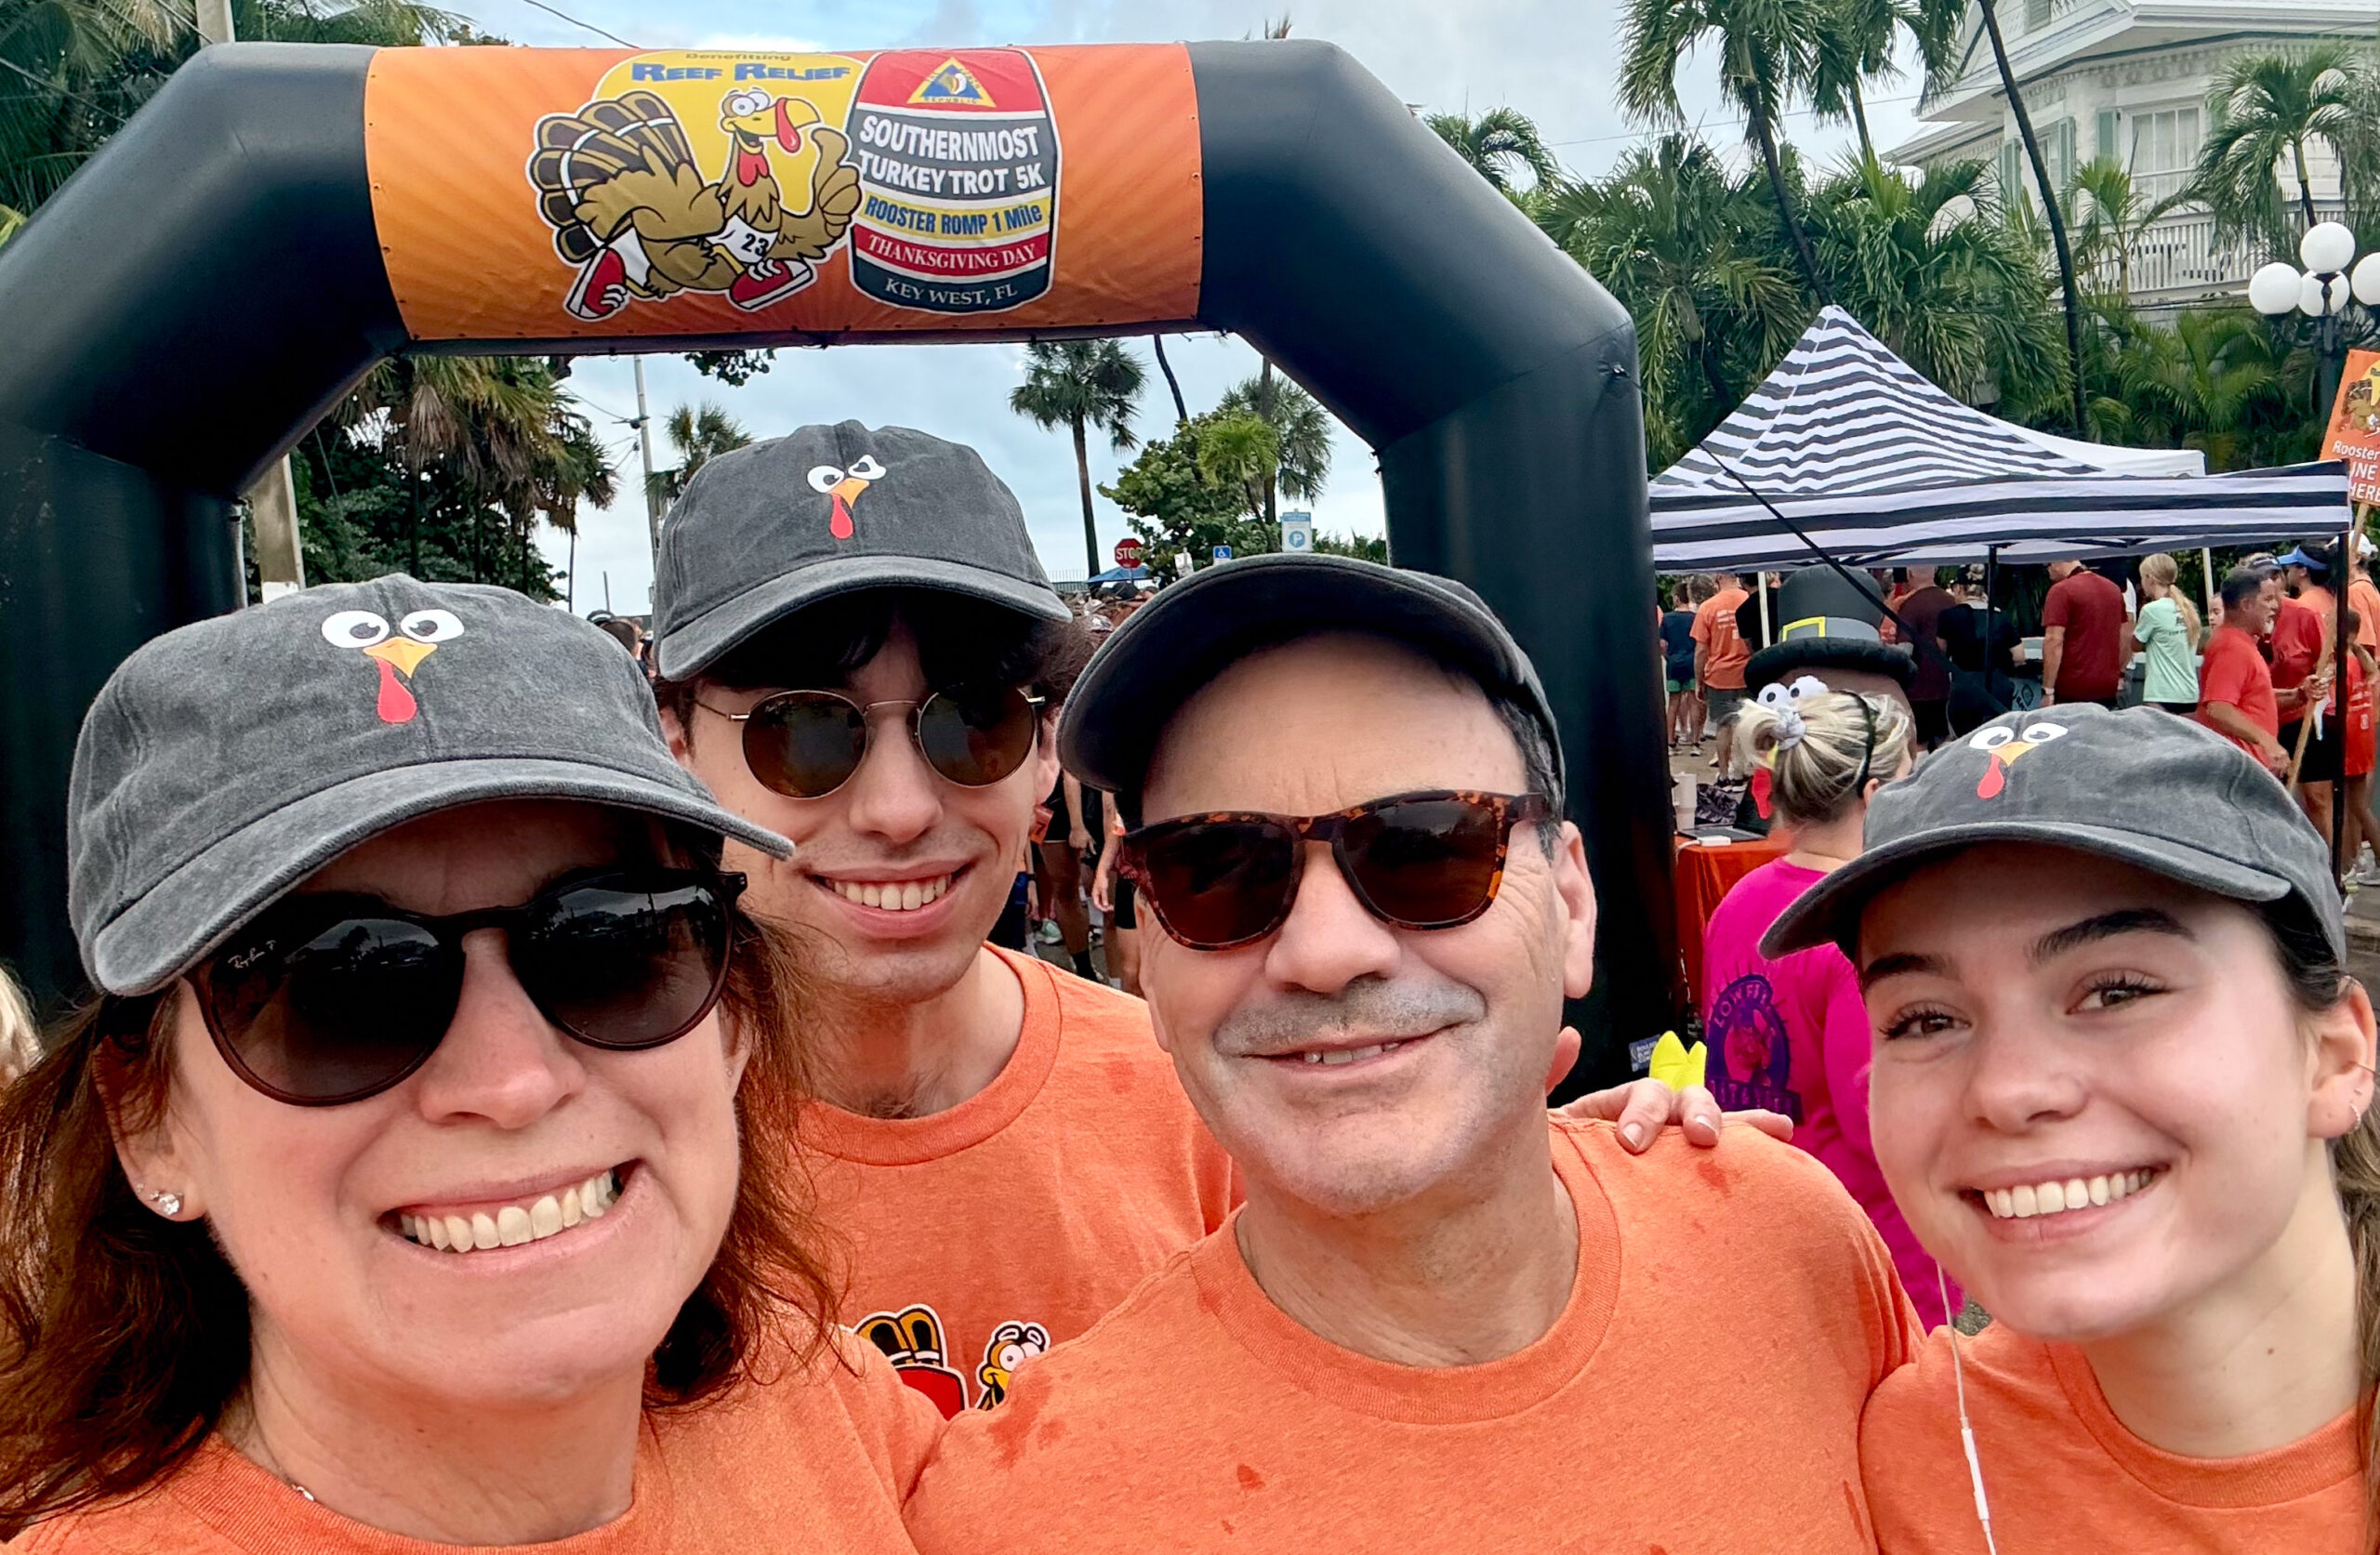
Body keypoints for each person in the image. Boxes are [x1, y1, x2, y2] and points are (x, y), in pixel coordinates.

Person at [903, 555, 1919, 1552]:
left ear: (1569, 903)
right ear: (1148, 962)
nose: (1324, 951)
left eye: (1428, 844)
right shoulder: (1015, 1507)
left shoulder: (1794, 1249)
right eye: (1216, 868)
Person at [0, 578, 938, 1549]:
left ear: (732, 1019)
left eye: (611, 945)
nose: (510, 1081)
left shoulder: (818, 1400)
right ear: (148, 1121)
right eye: (340, 990)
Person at [648, 421, 1235, 1418]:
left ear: (1046, 748)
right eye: (803, 729)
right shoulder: (592, 1154)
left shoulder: (1206, 1107)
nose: (899, 808)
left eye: (972, 718)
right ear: (677, 753)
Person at [1762, 705, 2380, 1550]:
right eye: (1926, 1019)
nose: (2010, 1091)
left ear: (2336, 1055)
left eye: (2118, 990)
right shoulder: (1910, 1462)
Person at [1700, 683, 1957, 1326]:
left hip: (1764, 1217)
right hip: (1872, 1251)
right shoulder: (1856, 932)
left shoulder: (1736, 900)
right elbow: (1879, 1118)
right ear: (1876, 797)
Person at [2198, 568, 2290, 774]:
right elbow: (2219, 707)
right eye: (2267, 600)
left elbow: (2253, 698)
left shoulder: (2239, 643)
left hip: (2248, 766)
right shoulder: (2232, 647)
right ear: (2246, 605)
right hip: (2240, 768)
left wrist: (2298, 695)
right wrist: (2267, 741)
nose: (2274, 607)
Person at [1937, 565, 2024, 736]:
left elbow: (1942, 649)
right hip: (1998, 687)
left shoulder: (1948, 616)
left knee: (1965, 740)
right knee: (1998, 738)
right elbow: (2019, 656)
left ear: (1959, 588)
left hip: (1964, 687)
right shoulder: (2000, 617)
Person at [2041, 559, 2129, 709]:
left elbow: (2053, 640)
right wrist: (2119, 673)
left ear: (2058, 561)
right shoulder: (2113, 589)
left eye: (2047, 564)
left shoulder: (2060, 591)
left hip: (2072, 687)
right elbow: (2126, 636)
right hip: (2107, 687)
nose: (2047, 570)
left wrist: (2048, 690)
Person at [1693, 571, 1752, 772]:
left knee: (1724, 726)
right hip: (1747, 672)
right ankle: (1743, 771)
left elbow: (1701, 650)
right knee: (1748, 724)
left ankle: (1724, 773)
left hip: (1719, 675)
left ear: (1719, 577)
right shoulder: (1749, 599)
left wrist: (1698, 681)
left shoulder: (1708, 607)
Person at [1894, 568, 1957, 748]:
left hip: (1919, 688)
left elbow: (1905, 650)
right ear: (1935, 572)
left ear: (1910, 574)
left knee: (1919, 742)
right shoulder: (1951, 601)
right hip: (1949, 686)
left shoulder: (1911, 605)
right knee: (1944, 739)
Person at [2134, 551, 2202, 715]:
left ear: (2149, 578)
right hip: (2189, 693)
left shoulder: (2151, 610)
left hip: (2161, 693)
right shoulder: (2188, 609)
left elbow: (2135, 645)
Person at [1089, 805, 1141, 995]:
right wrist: (1102, 871)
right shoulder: (1133, 784)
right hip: (1131, 880)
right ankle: (1137, 1023)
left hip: (1169, 881)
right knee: (1131, 972)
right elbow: (1118, 826)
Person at [1659, 580, 1702, 752]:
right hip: (1691, 662)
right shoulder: (1695, 618)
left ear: (1677, 599)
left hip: (1674, 664)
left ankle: (1670, 742)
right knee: (1694, 702)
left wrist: (1668, 658)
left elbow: (1662, 644)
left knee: (1673, 703)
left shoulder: (1667, 619)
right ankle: (1695, 742)